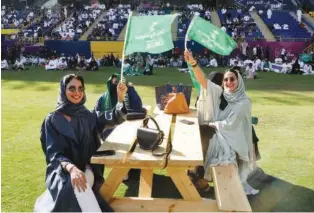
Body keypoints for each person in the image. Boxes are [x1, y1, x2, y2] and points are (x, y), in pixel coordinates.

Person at [34, 74, 128, 212]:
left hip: (85, 167)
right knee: (73, 188)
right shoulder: (52, 120)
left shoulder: (88, 116)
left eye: (80, 89)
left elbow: (113, 117)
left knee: (80, 184)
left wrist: (120, 98)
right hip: (61, 171)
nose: (77, 93)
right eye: (72, 88)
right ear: (63, 90)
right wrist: (72, 169)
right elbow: (54, 154)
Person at [184, 50, 259, 195]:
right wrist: (193, 63)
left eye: (232, 79)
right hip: (219, 133)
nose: (228, 82)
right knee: (200, 132)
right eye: (226, 80)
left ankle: (199, 176)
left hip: (234, 140)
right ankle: (197, 175)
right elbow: (204, 82)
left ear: (239, 81)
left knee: (204, 132)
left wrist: (214, 125)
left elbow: (233, 125)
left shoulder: (244, 101)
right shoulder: (220, 93)